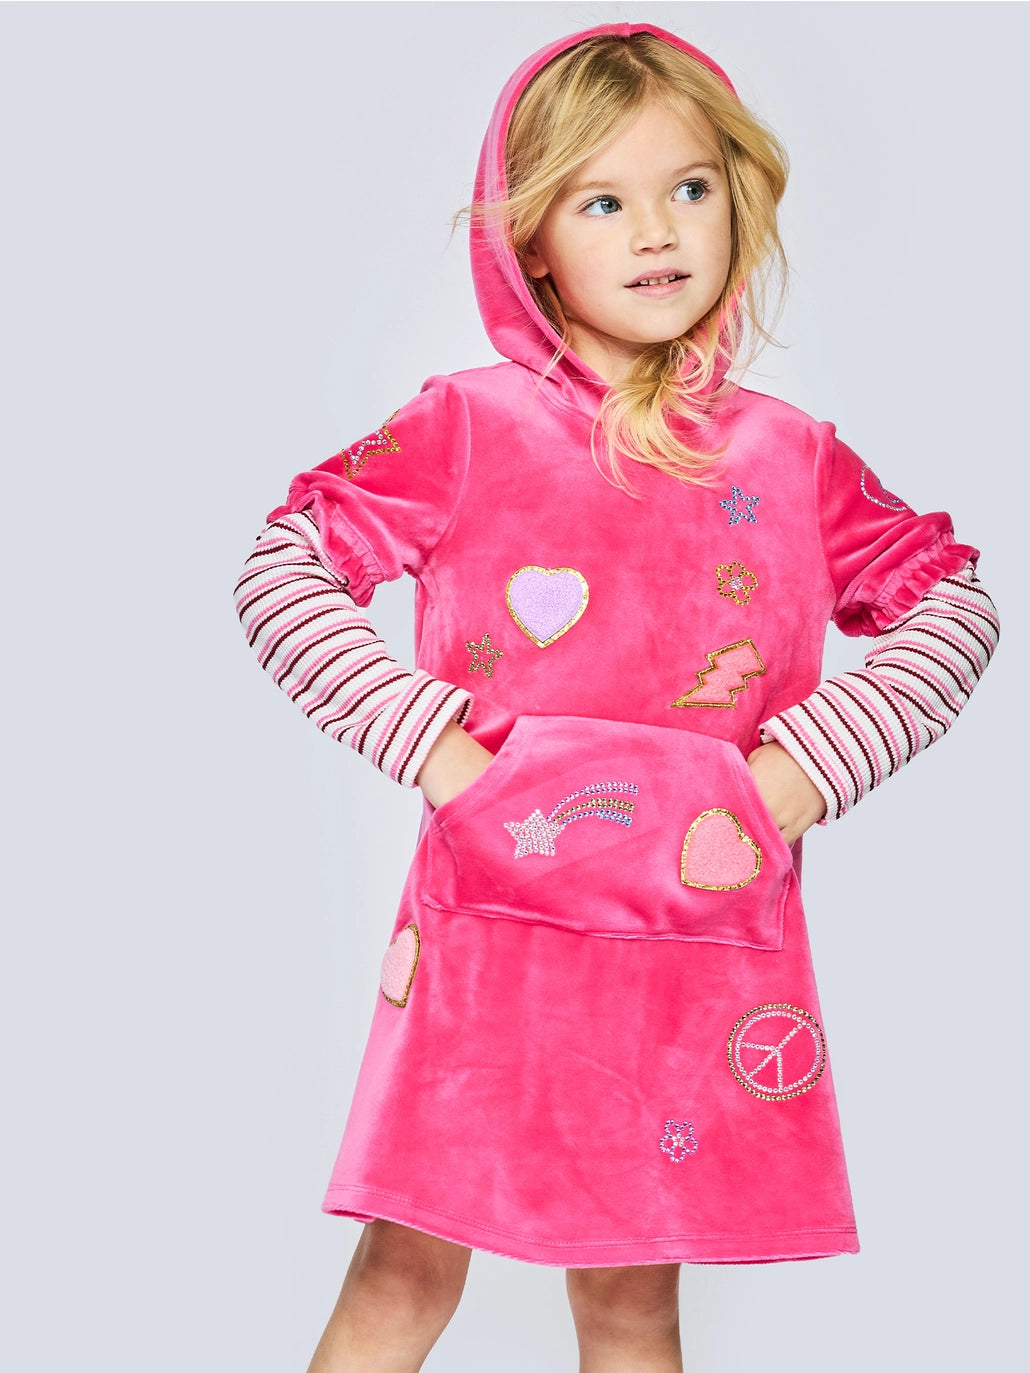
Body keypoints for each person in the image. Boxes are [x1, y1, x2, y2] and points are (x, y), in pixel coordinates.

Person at [235, 22, 998, 1373]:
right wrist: (439, 752)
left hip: (689, 930)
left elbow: (954, 603)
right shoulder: (467, 426)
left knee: (633, 1304)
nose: (656, 231)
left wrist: (800, 772)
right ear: (530, 239)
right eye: (602, 201)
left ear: (736, 197)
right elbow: (284, 565)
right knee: (404, 1269)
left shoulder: (790, 458)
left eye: (688, 187)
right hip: (495, 929)